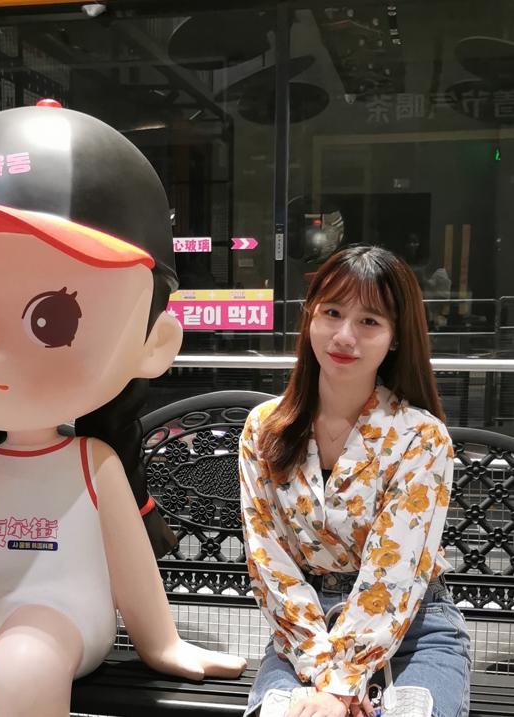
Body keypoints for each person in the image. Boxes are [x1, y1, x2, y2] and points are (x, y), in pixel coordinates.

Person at [0, 103, 245, 717]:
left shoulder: (93, 463)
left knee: (27, 663)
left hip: (65, 613)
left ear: (155, 343)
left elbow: (131, 565)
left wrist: (162, 644)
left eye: (51, 320)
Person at [239, 245, 470, 717]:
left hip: (415, 629)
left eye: (369, 321)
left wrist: (342, 686)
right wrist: (327, 674)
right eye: (332, 312)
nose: (345, 335)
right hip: (304, 636)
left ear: (395, 337)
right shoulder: (264, 429)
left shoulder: (420, 437)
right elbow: (269, 562)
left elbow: (396, 572)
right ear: (310, 316)